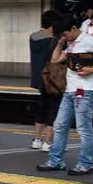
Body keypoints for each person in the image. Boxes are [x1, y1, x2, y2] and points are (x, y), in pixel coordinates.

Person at [37, 14, 93, 176]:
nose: (64, 36)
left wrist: (91, 69)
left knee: (84, 128)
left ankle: (85, 163)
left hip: (86, 90)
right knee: (60, 125)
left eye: (65, 34)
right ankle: (56, 160)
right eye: (61, 35)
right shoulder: (69, 43)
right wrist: (60, 43)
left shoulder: (90, 41)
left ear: (74, 28)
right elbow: (55, 60)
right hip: (70, 90)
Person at [29, 10, 58, 151]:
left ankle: (37, 140)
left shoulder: (34, 36)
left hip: (39, 78)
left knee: (42, 107)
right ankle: (48, 142)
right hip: (53, 79)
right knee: (53, 109)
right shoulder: (56, 39)